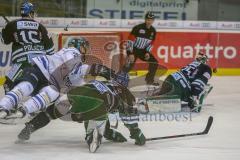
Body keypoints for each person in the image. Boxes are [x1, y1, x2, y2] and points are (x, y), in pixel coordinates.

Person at [17, 71, 145, 153]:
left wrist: (110, 133)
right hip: (95, 105)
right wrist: (136, 133)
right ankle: (93, 137)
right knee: (97, 113)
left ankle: (31, 126)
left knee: (51, 113)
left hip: (72, 95)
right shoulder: (126, 93)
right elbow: (130, 118)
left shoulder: (102, 82)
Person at [0, 38, 88, 118]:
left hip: (48, 80)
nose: (85, 51)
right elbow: (70, 63)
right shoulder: (72, 51)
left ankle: (23, 110)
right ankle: (4, 106)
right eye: (84, 48)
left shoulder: (77, 62)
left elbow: (74, 83)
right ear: (78, 46)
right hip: (40, 70)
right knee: (26, 87)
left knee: (52, 93)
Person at [1, 1, 54, 92]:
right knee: (42, 87)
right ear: (30, 13)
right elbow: (50, 50)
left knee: (7, 83)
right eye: (33, 12)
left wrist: (7, 30)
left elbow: (4, 41)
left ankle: (10, 105)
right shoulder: (41, 27)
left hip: (22, 63)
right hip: (41, 63)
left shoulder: (12, 25)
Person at [123, 11, 158, 85]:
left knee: (154, 62)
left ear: (153, 21)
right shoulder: (138, 28)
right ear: (145, 19)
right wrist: (130, 53)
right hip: (134, 49)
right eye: (148, 19)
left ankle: (149, 80)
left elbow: (151, 43)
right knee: (128, 66)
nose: (149, 21)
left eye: (151, 20)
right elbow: (130, 41)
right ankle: (119, 80)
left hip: (143, 51)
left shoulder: (153, 31)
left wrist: (147, 52)